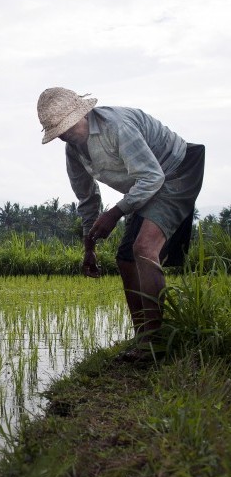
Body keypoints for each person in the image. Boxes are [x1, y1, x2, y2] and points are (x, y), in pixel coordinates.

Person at [37, 87, 205, 360]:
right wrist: (88, 246)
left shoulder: (116, 127)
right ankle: (142, 339)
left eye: (68, 127)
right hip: (147, 183)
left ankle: (155, 344)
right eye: (59, 133)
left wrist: (115, 213)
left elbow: (153, 178)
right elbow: (88, 199)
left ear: (84, 114)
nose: (65, 135)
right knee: (125, 258)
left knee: (144, 248)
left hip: (175, 170)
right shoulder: (74, 151)